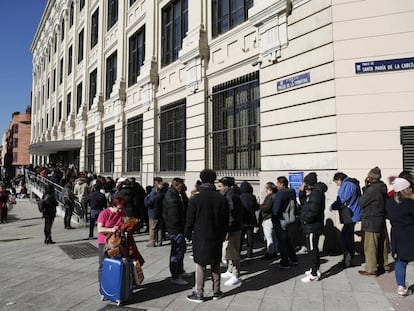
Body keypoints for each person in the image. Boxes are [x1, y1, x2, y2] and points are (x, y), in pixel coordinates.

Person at [185, 169, 229, 302]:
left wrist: (187, 233)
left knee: (200, 264)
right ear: (214, 180)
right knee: (215, 263)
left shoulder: (196, 198)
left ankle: (199, 293)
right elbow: (225, 219)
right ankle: (216, 291)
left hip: (201, 235)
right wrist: (223, 234)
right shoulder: (221, 198)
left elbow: (190, 219)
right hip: (216, 235)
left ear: (202, 179)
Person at [358, 166, 389, 276]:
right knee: (382, 244)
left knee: (370, 246)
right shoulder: (382, 187)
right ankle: (384, 265)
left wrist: (366, 187)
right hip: (380, 219)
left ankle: (371, 268)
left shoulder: (372, 190)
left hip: (371, 220)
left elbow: (361, 202)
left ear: (371, 178)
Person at [386, 178, 414, 297]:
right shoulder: (410, 203)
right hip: (410, 233)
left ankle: (401, 287)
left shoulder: (389, 202)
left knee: (401, 261)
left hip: (397, 234)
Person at [299, 172, 328, 283]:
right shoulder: (313, 193)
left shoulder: (316, 193)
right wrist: (301, 192)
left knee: (312, 250)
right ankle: (313, 268)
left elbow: (313, 211)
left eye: (305, 183)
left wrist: (306, 220)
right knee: (311, 249)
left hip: (312, 226)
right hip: (311, 226)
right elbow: (304, 204)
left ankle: (314, 273)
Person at [330, 172, 362, 267]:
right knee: (347, 236)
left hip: (350, 215)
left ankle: (348, 260)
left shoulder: (348, 185)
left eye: (337, 182)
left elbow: (343, 199)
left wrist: (333, 206)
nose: (337, 185)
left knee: (346, 238)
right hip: (352, 214)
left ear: (339, 179)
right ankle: (348, 259)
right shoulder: (352, 183)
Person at [217, 176, 243, 286]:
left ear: (226, 187)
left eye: (220, 186)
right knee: (228, 250)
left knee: (233, 251)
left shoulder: (231, 196)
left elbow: (231, 214)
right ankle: (230, 269)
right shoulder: (230, 195)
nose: (218, 188)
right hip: (233, 227)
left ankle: (236, 274)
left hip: (233, 228)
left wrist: (228, 229)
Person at [163, 177, 188, 285]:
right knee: (176, 251)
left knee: (181, 250)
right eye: (181, 185)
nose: (183, 187)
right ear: (176, 185)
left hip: (180, 227)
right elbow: (174, 215)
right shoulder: (171, 197)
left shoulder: (179, 194)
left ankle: (180, 270)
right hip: (176, 228)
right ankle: (175, 275)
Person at [97, 196, 127, 286]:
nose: (120, 211)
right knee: (103, 264)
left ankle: (114, 286)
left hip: (117, 242)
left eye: (122, 209)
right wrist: (111, 230)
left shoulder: (122, 213)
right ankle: (102, 287)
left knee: (116, 264)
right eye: (119, 209)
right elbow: (99, 229)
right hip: (104, 242)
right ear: (113, 205)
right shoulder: (104, 213)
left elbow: (124, 223)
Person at [272, 176, 298, 269]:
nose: (276, 185)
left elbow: (276, 209)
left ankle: (285, 262)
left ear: (282, 184)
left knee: (282, 241)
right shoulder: (292, 192)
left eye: (277, 183)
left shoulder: (280, 194)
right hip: (290, 218)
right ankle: (293, 259)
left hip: (281, 219)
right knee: (287, 240)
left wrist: (274, 218)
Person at [144, 181, 168, 247]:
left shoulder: (156, 196)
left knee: (152, 228)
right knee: (160, 228)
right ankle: (160, 241)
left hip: (153, 213)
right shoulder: (164, 194)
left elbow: (147, 203)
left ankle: (152, 241)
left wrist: (147, 197)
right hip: (161, 213)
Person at [239, 181, 259, 258]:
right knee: (250, 237)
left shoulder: (239, 197)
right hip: (251, 220)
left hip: (242, 220)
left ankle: (239, 252)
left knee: (241, 237)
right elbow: (256, 207)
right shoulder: (252, 197)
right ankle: (249, 253)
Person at [260, 182, 278, 259]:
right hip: (274, 218)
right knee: (274, 237)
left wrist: (260, 206)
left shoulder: (269, 197)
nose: (265, 190)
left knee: (268, 237)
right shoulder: (276, 196)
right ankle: (275, 251)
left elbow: (266, 207)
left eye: (266, 188)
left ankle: (270, 253)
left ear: (269, 189)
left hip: (268, 218)